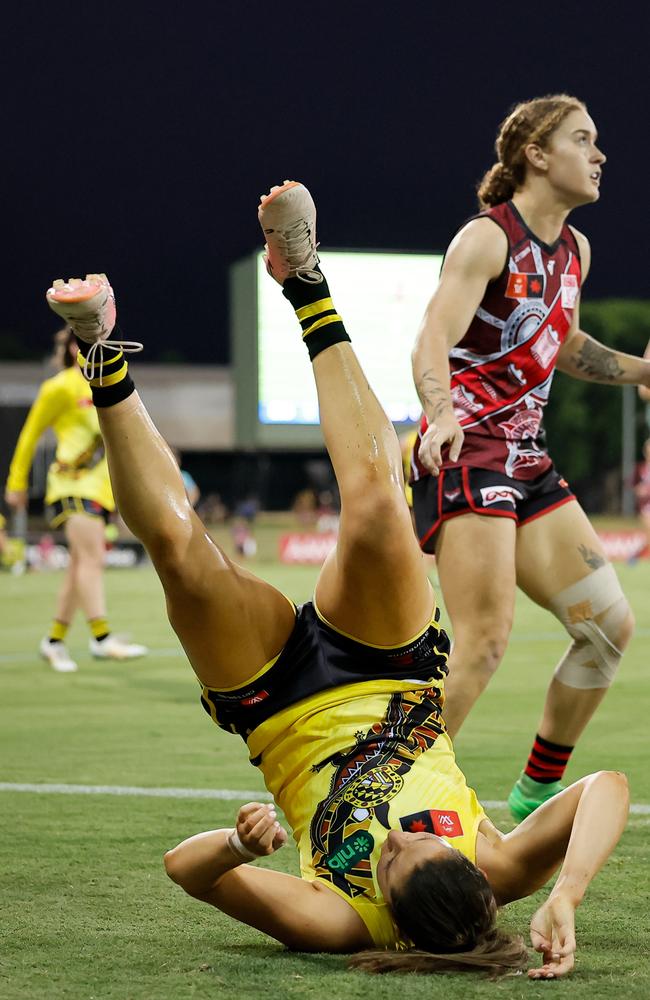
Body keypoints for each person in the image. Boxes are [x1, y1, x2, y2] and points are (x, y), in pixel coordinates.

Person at [44, 183, 628, 979]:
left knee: (183, 554)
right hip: (392, 669)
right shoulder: (497, 869)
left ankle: (102, 354)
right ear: (477, 882)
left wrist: (233, 846)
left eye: (388, 864)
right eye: (420, 841)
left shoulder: (339, 922)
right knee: (384, 509)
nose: (395, 840)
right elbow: (606, 786)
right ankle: (307, 282)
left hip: (275, 708)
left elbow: (187, 871)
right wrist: (567, 893)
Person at [409, 94, 650, 821]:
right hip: (472, 447)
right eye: (584, 139)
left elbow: (563, 345)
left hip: (525, 458)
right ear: (537, 155)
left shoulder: (574, 251)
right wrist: (441, 412)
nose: (600, 154)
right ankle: (390, 799)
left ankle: (532, 798)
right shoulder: (486, 240)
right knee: (482, 645)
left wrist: (641, 372)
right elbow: (431, 337)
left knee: (608, 629)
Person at [4, 327, 147, 671]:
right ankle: (101, 638)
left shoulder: (109, 383)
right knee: (91, 558)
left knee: (79, 566)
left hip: (100, 491)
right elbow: (29, 435)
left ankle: (53, 641)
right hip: (71, 485)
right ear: (72, 346)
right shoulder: (60, 386)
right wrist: (16, 482)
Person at [634, 438, 650, 557]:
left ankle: (634, 556)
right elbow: (634, 486)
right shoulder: (640, 468)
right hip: (646, 506)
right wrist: (640, 490)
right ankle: (635, 556)